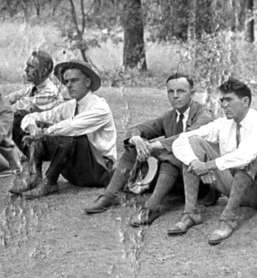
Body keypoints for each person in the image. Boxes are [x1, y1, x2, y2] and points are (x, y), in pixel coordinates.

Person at [166, 76, 257, 244]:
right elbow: (182, 139)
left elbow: (246, 155)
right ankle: (190, 213)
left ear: (245, 101)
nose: (223, 105)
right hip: (237, 187)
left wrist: (208, 165)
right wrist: (195, 162)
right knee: (193, 141)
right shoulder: (224, 124)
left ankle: (228, 219)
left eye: (229, 100)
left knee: (249, 158)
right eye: (222, 100)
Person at [82, 70, 216, 223]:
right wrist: (137, 139)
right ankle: (109, 195)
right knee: (134, 148)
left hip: (201, 181)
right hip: (175, 178)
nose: (175, 96)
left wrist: (154, 145)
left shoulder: (204, 114)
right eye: (170, 91)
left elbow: (188, 136)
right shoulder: (170, 116)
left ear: (192, 92)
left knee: (170, 156)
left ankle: (151, 207)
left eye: (181, 91)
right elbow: (139, 128)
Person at [10, 59, 116, 197]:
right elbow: (37, 116)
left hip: (98, 170)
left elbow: (73, 125)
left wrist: (44, 132)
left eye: (74, 80)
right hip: (74, 172)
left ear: (88, 82)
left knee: (67, 133)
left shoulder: (100, 107)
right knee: (24, 119)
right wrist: (32, 128)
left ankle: (50, 182)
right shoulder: (70, 105)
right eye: (66, 82)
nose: (69, 86)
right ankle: (34, 177)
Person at [8, 50, 64, 166]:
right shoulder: (33, 87)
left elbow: (23, 105)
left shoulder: (49, 92)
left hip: (56, 143)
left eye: (30, 66)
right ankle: (29, 154)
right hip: (42, 136)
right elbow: (13, 97)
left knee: (15, 118)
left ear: (43, 71)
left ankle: (33, 157)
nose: (26, 69)